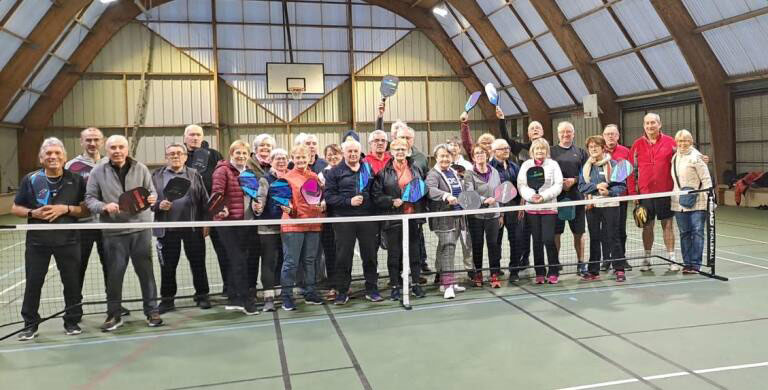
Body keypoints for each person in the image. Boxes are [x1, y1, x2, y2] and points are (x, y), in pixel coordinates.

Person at [13, 138, 88, 340]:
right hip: (38, 242)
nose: (53, 157)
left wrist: (66, 209)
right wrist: (33, 214)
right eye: (48, 154)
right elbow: (16, 208)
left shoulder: (77, 179)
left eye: (57, 153)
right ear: (41, 158)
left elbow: (85, 209)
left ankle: (72, 321)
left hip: (69, 241)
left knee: (72, 284)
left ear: (64, 157)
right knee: (33, 284)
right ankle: (30, 325)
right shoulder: (31, 179)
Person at [84, 135, 162, 331]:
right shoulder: (98, 171)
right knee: (115, 275)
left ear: (127, 149)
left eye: (121, 147)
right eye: (113, 147)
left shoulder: (141, 168)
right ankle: (114, 314)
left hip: (140, 230)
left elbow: (152, 192)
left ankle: (152, 311)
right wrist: (103, 206)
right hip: (114, 231)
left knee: (146, 273)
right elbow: (90, 199)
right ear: (107, 150)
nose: (117, 151)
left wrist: (152, 198)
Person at [66, 128, 131, 317]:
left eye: (96, 140)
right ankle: (74, 308)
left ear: (102, 142)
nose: (92, 144)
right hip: (82, 226)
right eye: (88, 140)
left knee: (111, 267)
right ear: (81, 142)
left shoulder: (111, 163)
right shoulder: (72, 166)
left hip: (107, 225)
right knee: (77, 268)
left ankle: (114, 305)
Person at [152, 143, 211, 313]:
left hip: (192, 228)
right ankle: (167, 300)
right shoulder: (156, 176)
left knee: (198, 263)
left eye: (179, 153)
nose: (175, 156)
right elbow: (147, 202)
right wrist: (158, 205)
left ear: (185, 157)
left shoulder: (194, 175)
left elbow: (204, 201)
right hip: (167, 230)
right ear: (166, 157)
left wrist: (206, 222)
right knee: (168, 266)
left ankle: (202, 295)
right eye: (171, 154)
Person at [324, 139, 382, 304]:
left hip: (367, 221)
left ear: (359, 152)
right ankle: (342, 291)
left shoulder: (367, 169)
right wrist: (348, 201)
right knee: (343, 257)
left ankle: (372, 289)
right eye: (349, 151)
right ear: (344, 153)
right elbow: (329, 197)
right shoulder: (334, 172)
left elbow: (375, 192)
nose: (353, 154)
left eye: (355, 151)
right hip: (344, 221)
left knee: (370, 256)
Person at [372, 138, 427, 301]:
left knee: (414, 253)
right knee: (394, 255)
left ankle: (416, 284)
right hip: (393, 219)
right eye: (397, 149)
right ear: (392, 152)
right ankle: (395, 286)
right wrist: (391, 201)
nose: (400, 152)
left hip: (412, 218)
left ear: (408, 151)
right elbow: (376, 196)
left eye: (403, 149)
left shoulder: (416, 169)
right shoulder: (383, 173)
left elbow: (422, 189)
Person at [210, 140, 259, 315]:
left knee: (238, 260)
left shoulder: (249, 173)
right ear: (231, 153)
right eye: (238, 153)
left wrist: (257, 206)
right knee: (238, 261)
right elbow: (216, 194)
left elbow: (253, 196)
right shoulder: (222, 171)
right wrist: (221, 209)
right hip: (228, 224)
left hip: (245, 223)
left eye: (244, 153)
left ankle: (233, 298)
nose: (241, 156)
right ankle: (246, 300)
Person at [629, 113, 680, 272]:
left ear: (660, 124)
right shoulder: (637, 144)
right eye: (647, 123)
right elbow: (630, 171)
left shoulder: (671, 142)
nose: (650, 126)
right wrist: (633, 194)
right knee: (647, 227)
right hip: (645, 195)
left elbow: (683, 157)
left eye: (653, 123)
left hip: (665, 193)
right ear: (644, 126)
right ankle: (647, 258)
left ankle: (672, 259)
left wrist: (701, 158)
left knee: (668, 226)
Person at [183, 124, 230, 294]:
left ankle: (229, 287)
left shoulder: (215, 155)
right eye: (191, 134)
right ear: (185, 137)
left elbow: (225, 178)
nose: (194, 138)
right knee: (196, 256)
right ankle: (202, 294)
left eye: (198, 134)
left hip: (216, 211)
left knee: (224, 251)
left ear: (202, 137)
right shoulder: (181, 157)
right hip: (193, 215)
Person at [277, 145, 325, 310]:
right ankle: (287, 297)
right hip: (293, 226)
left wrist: (321, 206)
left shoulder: (314, 177)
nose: (301, 160)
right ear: (293, 158)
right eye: (297, 158)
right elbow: (284, 202)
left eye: (304, 157)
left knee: (310, 261)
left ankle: (310, 292)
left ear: (309, 158)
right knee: (291, 262)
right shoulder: (286, 178)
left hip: (313, 224)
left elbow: (318, 199)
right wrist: (289, 209)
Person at [578, 136, 628, 283]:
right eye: (590, 147)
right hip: (592, 207)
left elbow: (621, 186)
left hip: (611, 206)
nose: (593, 149)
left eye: (596, 146)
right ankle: (593, 270)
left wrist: (609, 192)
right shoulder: (586, 167)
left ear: (603, 147)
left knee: (613, 237)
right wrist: (596, 187)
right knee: (594, 238)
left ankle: (619, 269)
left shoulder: (615, 164)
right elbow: (582, 186)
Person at [518, 138, 563, 284]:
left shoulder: (553, 164)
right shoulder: (526, 165)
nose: (540, 151)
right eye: (537, 149)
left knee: (548, 239)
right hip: (532, 209)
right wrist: (532, 196)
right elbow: (522, 185)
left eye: (542, 149)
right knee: (536, 241)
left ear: (546, 151)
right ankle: (539, 272)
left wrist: (543, 196)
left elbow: (558, 185)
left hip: (549, 208)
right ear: (532, 151)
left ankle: (554, 270)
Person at [426, 144, 467, 299]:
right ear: (436, 158)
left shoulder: (453, 172)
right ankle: (448, 286)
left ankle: (445, 281)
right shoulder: (433, 174)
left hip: (457, 216)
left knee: (445, 248)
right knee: (448, 249)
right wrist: (446, 196)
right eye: (442, 156)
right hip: (442, 218)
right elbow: (430, 189)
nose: (445, 158)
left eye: (447, 156)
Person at [253, 148, 290, 312]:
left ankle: (280, 293)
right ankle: (268, 297)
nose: (281, 161)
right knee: (269, 261)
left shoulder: (290, 177)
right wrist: (258, 208)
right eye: (277, 159)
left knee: (283, 261)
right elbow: (260, 200)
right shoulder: (265, 179)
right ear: (271, 161)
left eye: (283, 158)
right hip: (268, 228)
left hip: (288, 227)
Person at [671, 130, 712, 274]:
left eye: (686, 140)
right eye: (680, 141)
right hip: (678, 202)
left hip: (698, 202)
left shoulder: (697, 157)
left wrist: (710, 200)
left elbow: (706, 180)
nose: (683, 143)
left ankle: (695, 264)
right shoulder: (675, 157)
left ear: (691, 141)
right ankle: (687, 263)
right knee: (684, 233)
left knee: (697, 232)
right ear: (676, 142)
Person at [551, 121, 588, 275]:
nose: (565, 134)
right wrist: (560, 183)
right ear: (558, 134)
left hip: (576, 199)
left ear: (573, 134)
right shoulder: (551, 152)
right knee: (556, 233)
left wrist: (574, 180)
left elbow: (587, 174)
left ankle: (581, 263)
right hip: (556, 199)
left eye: (568, 132)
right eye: (562, 132)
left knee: (579, 233)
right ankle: (555, 262)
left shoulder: (581, 152)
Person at [464, 144, 502, 288]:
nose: (480, 155)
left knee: (493, 245)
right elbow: (469, 192)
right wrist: (484, 201)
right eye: (477, 153)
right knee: (477, 245)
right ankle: (478, 273)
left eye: (482, 153)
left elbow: (498, 190)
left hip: (493, 214)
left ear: (487, 155)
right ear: (473, 157)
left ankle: (494, 274)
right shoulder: (469, 174)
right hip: (476, 217)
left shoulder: (495, 172)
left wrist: (496, 201)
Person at [489, 138, 526, 283]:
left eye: (507, 148)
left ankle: (514, 270)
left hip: (513, 209)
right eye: (502, 148)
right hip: (497, 210)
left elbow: (520, 185)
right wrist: (499, 211)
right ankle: (495, 270)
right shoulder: (489, 168)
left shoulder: (514, 166)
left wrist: (521, 201)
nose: (506, 151)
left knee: (516, 240)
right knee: (495, 242)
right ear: (494, 151)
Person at [602, 124, 632, 271]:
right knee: (605, 231)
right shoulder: (599, 152)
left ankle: (621, 259)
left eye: (613, 134)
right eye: (607, 134)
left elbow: (629, 175)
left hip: (621, 198)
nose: (610, 136)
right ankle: (606, 259)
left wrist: (632, 195)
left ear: (618, 136)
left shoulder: (626, 152)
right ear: (603, 136)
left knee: (620, 230)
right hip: (603, 199)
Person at [319, 144, 342, 301]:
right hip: (327, 220)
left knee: (343, 253)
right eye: (329, 154)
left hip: (344, 218)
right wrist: (322, 200)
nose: (333, 157)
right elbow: (317, 195)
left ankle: (344, 285)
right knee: (330, 253)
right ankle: (333, 285)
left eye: (336, 154)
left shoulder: (348, 171)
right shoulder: (320, 175)